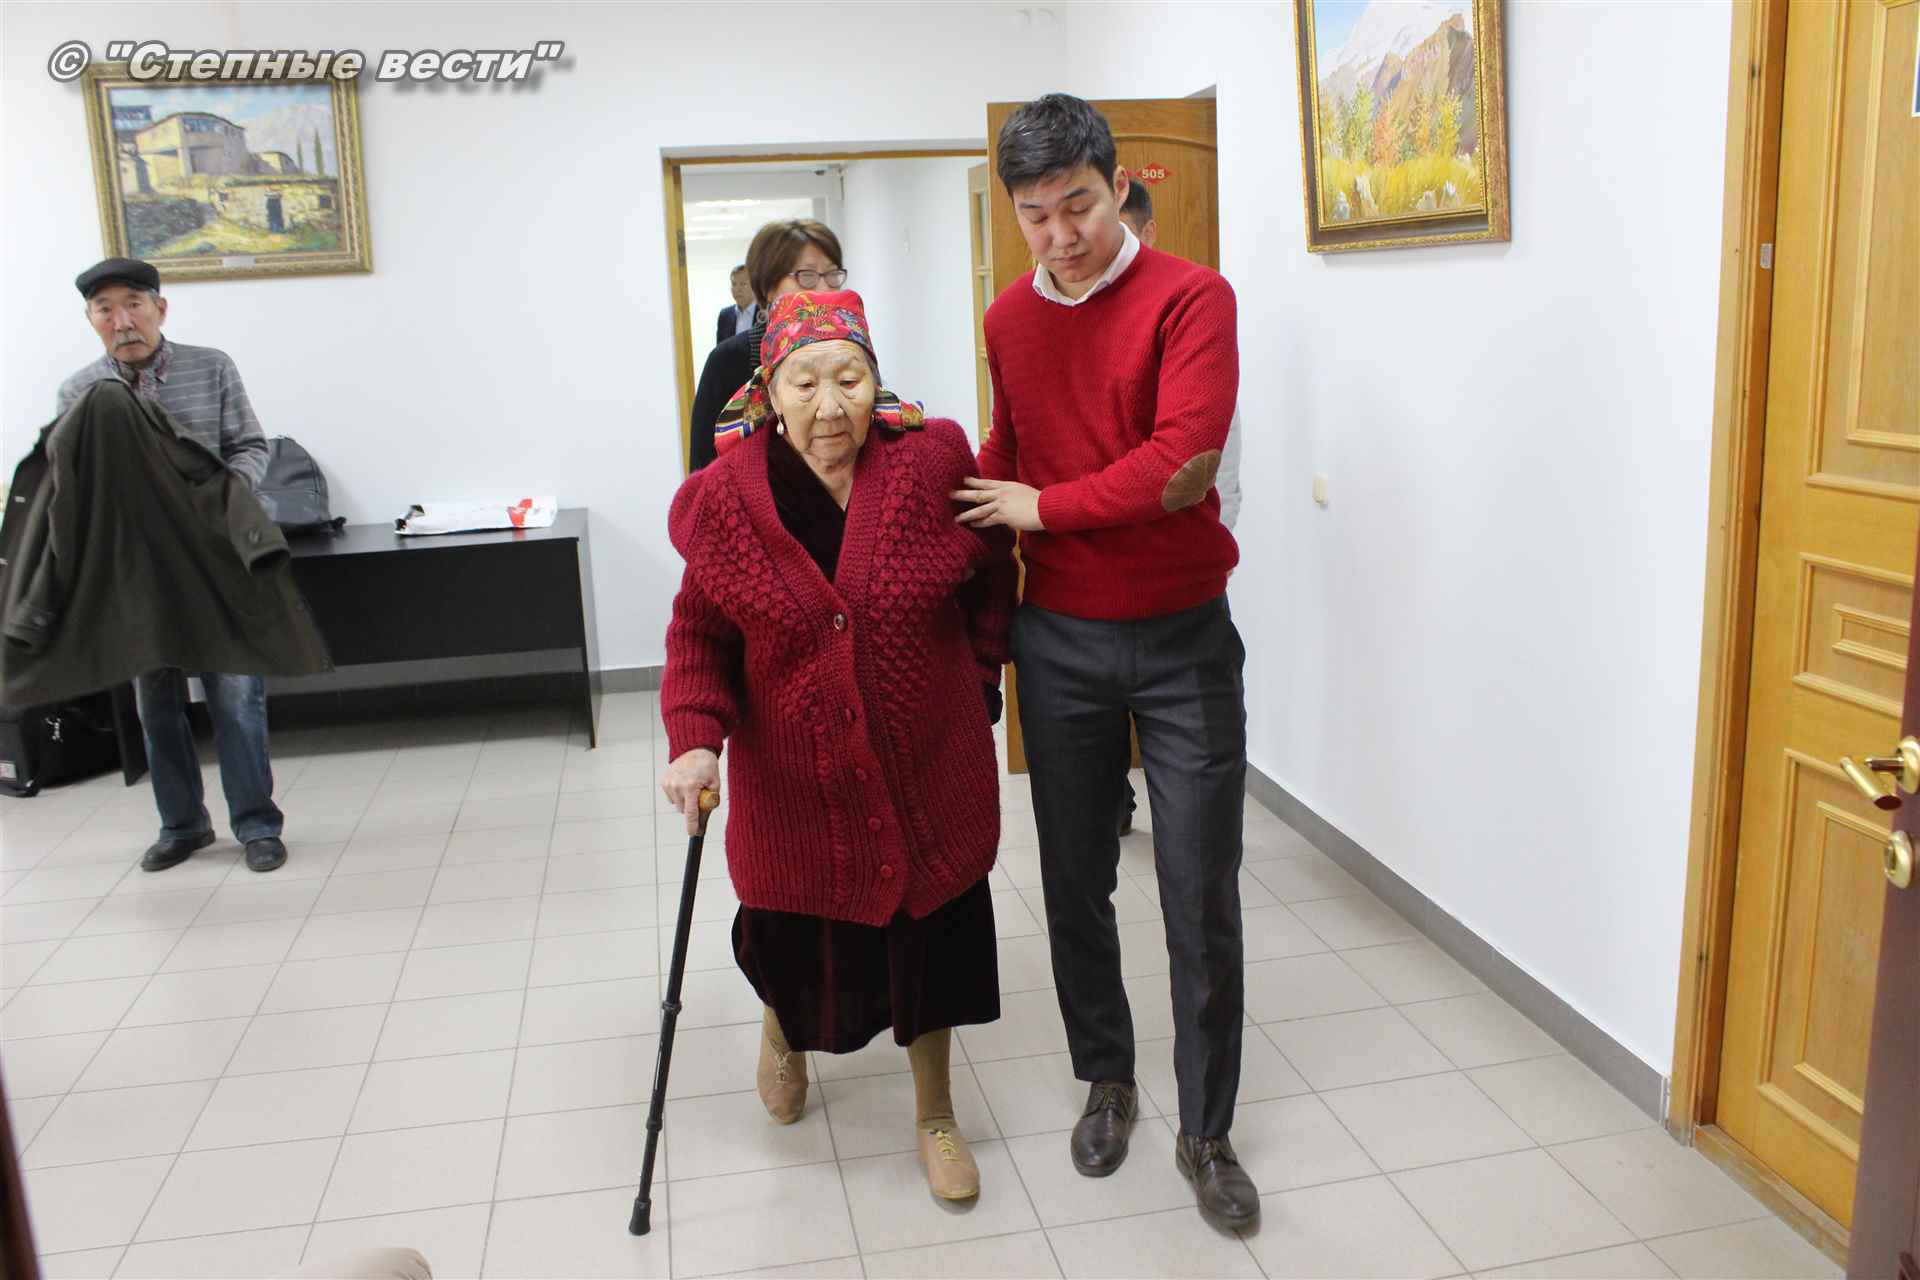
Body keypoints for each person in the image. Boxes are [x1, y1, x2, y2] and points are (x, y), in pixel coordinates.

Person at [952, 93, 1258, 1228]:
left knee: (1199, 887)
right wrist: (925, 482)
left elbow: (1181, 461)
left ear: (1118, 184)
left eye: (1077, 205)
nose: (1061, 235)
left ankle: (1207, 1129)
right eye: (1035, 216)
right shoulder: (1008, 321)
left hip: (1184, 639)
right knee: (1074, 879)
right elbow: (1009, 453)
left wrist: (1044, 506)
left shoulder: (1193, 298)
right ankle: (1109, 1079)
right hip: (1061, 641)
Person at [660, 288, 1016, 1202]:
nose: (830, 406)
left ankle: (936, 1114)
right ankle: (783, 1033)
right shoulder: (726, 501)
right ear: (769, 393)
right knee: (798, 945)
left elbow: (990, 571)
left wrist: (982, 672)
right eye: (806, 382)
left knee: (930, 949)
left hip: (927, 766)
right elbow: (700, 634)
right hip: (797, 783)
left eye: (850, 378)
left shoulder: (932, 462)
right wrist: (695, 741)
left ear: (876, 381)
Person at [55, 257, 290, 876]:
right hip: (137, 573)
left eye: (133, 304)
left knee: (236, 697)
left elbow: (250, 446)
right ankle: (183, 825)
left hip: (217, 558)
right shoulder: (80, 393)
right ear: (91, 320)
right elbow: (75, 486)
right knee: (155, 704)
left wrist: (219, 495)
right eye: (105, 310)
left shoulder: (210, 367)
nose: (122, 321)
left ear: (160, 308)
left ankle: (257, 825)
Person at [1112, 181, 1245, 836]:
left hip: (1180, 604)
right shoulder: (1042, 321)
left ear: (1148, 232)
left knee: (1197, 823)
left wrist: (1201, 562)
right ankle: (1116, 802)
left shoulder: (1193, 311)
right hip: (1084, 604)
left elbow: (1215, 473)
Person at [686, 220, 847, 474]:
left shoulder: (850, 354)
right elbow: (703, 469)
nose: (826, 289)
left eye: (832, 275)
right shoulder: (727, 360)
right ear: (768, 287)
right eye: (807, 276)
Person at [715, 263, 760, 346]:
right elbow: (720, 349)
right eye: (734, 284)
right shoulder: (724, 315)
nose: (737, 289)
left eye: (743, 284)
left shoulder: (765, 314)